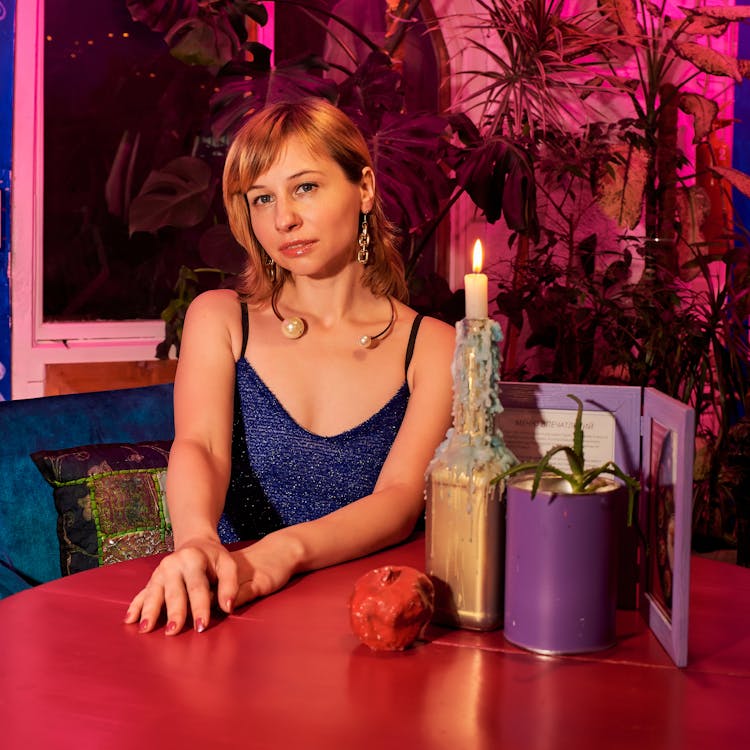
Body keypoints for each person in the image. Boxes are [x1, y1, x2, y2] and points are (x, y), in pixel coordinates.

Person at [124, 97, 455, 635]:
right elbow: (200, 446)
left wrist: (281, 554)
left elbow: (399, 501)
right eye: (261, 198)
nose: (284, 219)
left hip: (361, 622)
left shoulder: (433, 346)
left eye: (305, 187)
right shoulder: (222, 318)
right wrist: (198, 542)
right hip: (227, 601)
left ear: (364, 189)